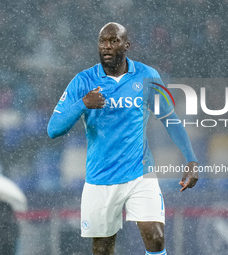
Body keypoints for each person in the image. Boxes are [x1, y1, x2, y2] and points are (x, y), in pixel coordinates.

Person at [47, 22, 198, 255]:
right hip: (101, 177)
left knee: (156, 238)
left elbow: (170, 119)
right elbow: (53, 129)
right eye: (102, 41)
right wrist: (83, 104)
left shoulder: (148, 76)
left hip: (140, 172)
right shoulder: (83, 81)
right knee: (103, 249)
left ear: (126, 45)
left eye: (113, 41)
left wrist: (191, 159)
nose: (107, 46)